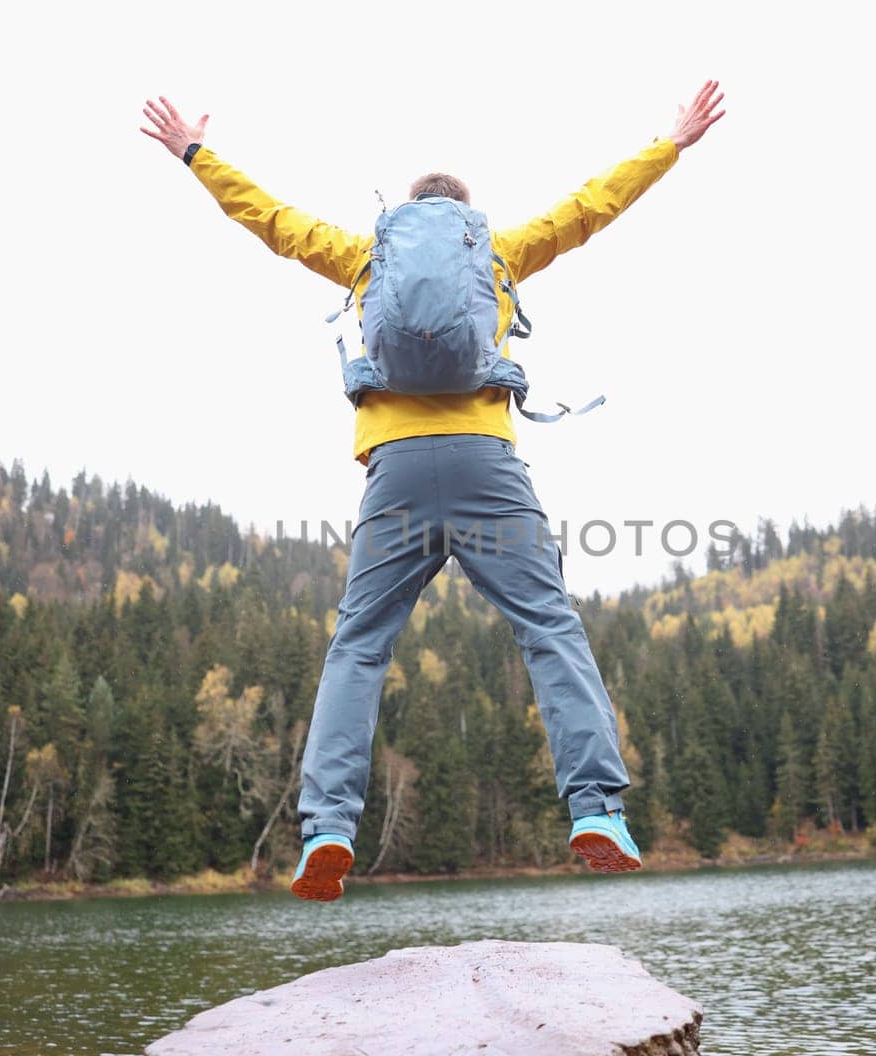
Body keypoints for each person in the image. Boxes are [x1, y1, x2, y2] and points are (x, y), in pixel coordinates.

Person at [140, 82, 725, 901]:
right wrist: (671, 142)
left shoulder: (364, 255)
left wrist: (195, 153)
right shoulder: (499, 252)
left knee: (360, 646)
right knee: (549, 626)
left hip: (398, 473)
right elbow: (595, 205)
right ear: (465, 222)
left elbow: (267, 218)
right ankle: (596, 808)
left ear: (405, 218)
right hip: (488, 461)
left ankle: (329, 827)